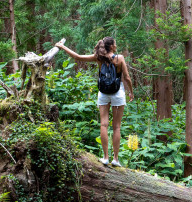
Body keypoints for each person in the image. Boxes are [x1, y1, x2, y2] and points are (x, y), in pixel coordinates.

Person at [55, 37, 134, 167]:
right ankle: (115, 159)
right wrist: (131, 91)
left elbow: (77, 57)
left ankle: (105, 157)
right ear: (112, 46)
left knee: (104, 125)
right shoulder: (119, 58)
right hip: (117, 93)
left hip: (103, 93)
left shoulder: (99, 58)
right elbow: (127, 77)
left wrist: (62, 47)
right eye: (115, 43)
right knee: (117, 127)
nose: (116, 45)